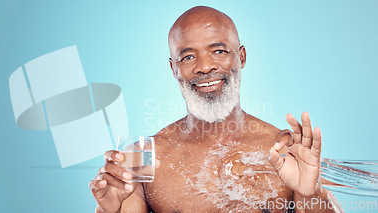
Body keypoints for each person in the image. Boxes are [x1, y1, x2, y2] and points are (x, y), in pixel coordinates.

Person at [90, 6, 341, 213]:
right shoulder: (144, 158)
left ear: (241, 57)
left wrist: (312, 192)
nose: (205, 66)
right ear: (173, 68)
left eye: (219, 51)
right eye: (188, 57)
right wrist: (108, 211)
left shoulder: (284, 149)